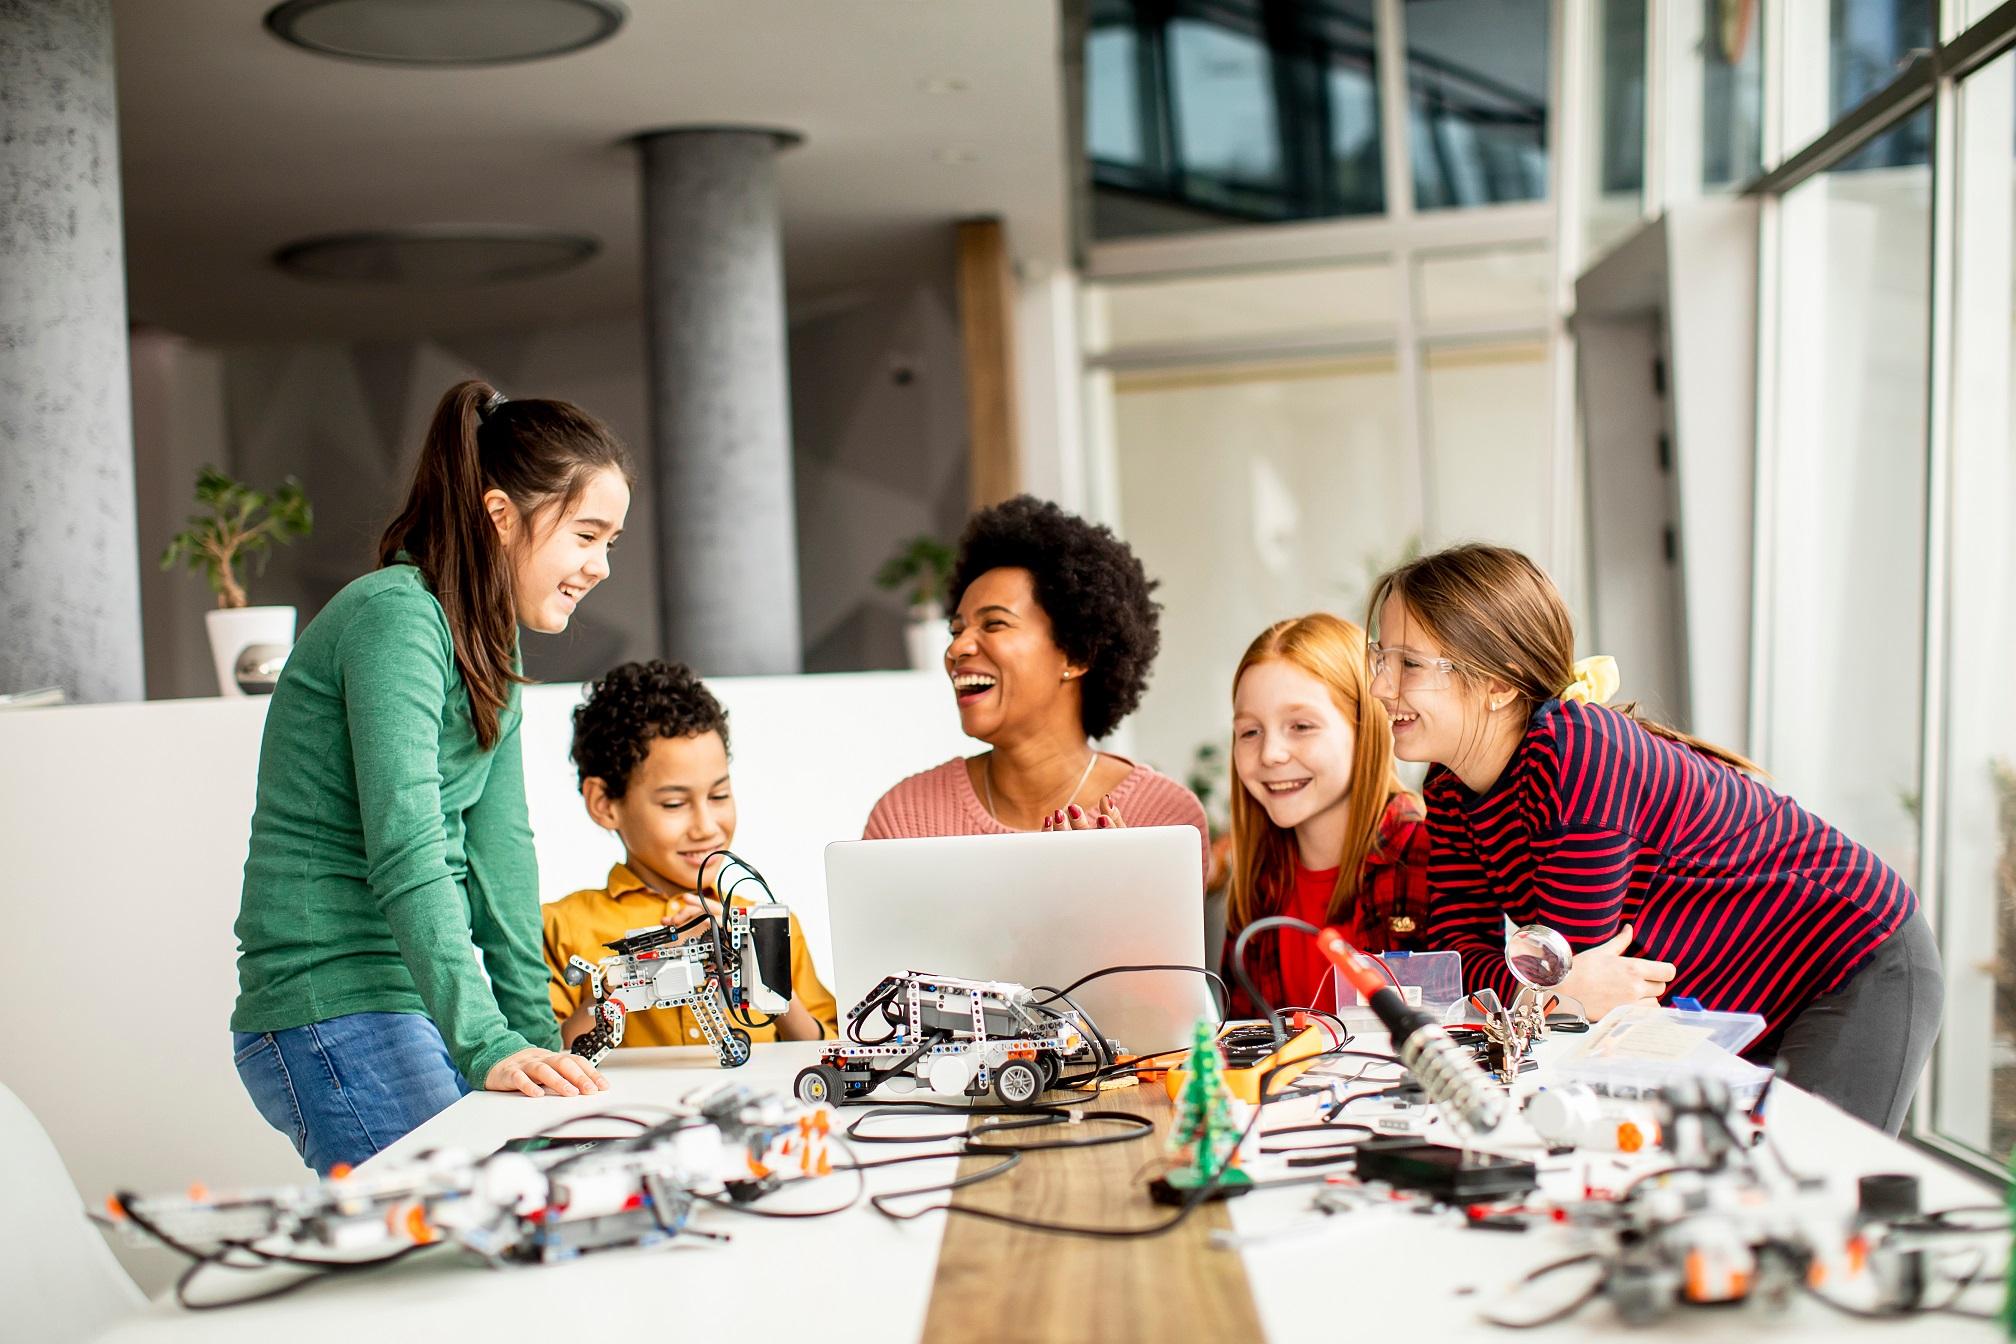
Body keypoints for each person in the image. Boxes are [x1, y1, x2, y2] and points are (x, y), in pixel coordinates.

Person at [1370, 543, 1940, 1133]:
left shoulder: (1576, 753)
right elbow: (1473, 960)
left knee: (1812, 1182)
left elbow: (1577, 981)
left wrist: (1550, 990)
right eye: (1380, 658)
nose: (1383, 686)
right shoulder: (1450, 786)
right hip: (1734, 999)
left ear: (1498, 684)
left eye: (1408, 664)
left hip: (1850, 960)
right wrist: (1550, 990)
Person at [231, 380, 625, 1174]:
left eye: (610, 542)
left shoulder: (492, 645)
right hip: (331, 1003)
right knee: (464, 1243)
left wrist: (534, 1040)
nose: (602, 566)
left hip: (411, 999)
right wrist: (485, 1042)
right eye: (587, 535)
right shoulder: (396, 617)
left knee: (528, 1206)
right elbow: (407, 847)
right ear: (501, 514)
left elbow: (501, 859)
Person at [863, 495, 1205, 852]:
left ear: (1076, 652)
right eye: (956, 630)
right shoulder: (905, 820)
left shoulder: (1164, 818)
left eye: (994, 624)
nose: (956, 649)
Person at [544, 660, 838, 1047]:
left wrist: (754, 962)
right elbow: (543, 1057)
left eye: (719, 796)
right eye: (674, 803)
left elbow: (828, 1050)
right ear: (604, 803)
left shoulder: (768, 925)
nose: (706, 826)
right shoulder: (562, 926)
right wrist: (640, 967)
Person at [1222, 614, 1429, 1017]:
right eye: (1250, 732)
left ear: (1366, 728)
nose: (1270, 754)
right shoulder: (1259, 883)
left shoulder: (1427, 857)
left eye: (1301, 726)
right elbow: (1243, 1043)